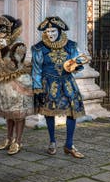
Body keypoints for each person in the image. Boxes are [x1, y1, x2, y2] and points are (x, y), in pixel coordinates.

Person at [31, 16, 86, 159]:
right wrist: (37, 88)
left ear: (60, 31)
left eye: (53, 31)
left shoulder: (71, 45)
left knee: (72, 112)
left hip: (68, 84)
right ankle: (52, 142)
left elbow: (77, 62)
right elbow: (36, 70)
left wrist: (76, 65)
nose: (50, 34)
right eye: (48, 31)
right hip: (49, 84)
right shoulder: (39, 48)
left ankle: (69, 145)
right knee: (49, 113)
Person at [0, 15, 33, 155]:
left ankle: (18, 141)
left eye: (2, 31)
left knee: (18, 113)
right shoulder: (3, 43)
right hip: (3, 82)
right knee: (9, 113)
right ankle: (8, 138)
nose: (0, 34)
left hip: (17, 83)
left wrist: (2, 49)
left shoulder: (19, 45)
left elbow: (13, 65)